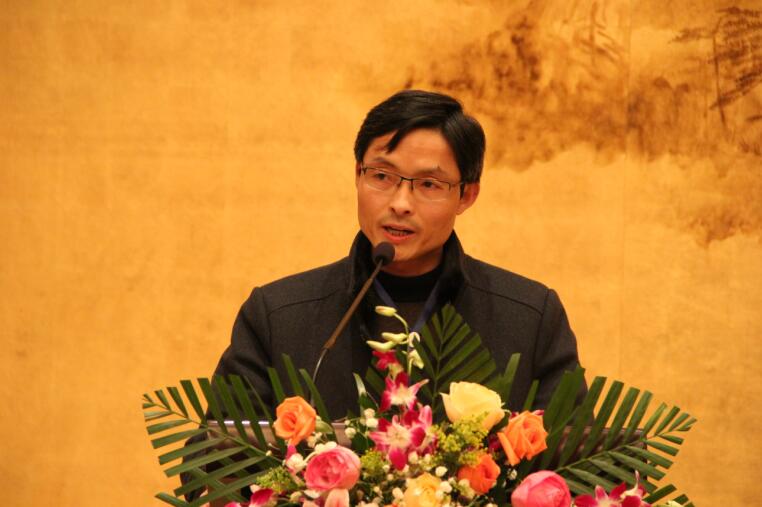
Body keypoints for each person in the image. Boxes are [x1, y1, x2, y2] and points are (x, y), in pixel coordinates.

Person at [214, 89, 584, 419]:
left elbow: (581, 461)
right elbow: (215, 458)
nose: (401, 203)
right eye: (381, 176)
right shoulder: (278, 317)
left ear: (467, 195)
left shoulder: (529, 319)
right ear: (358, 174)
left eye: (429, 184)